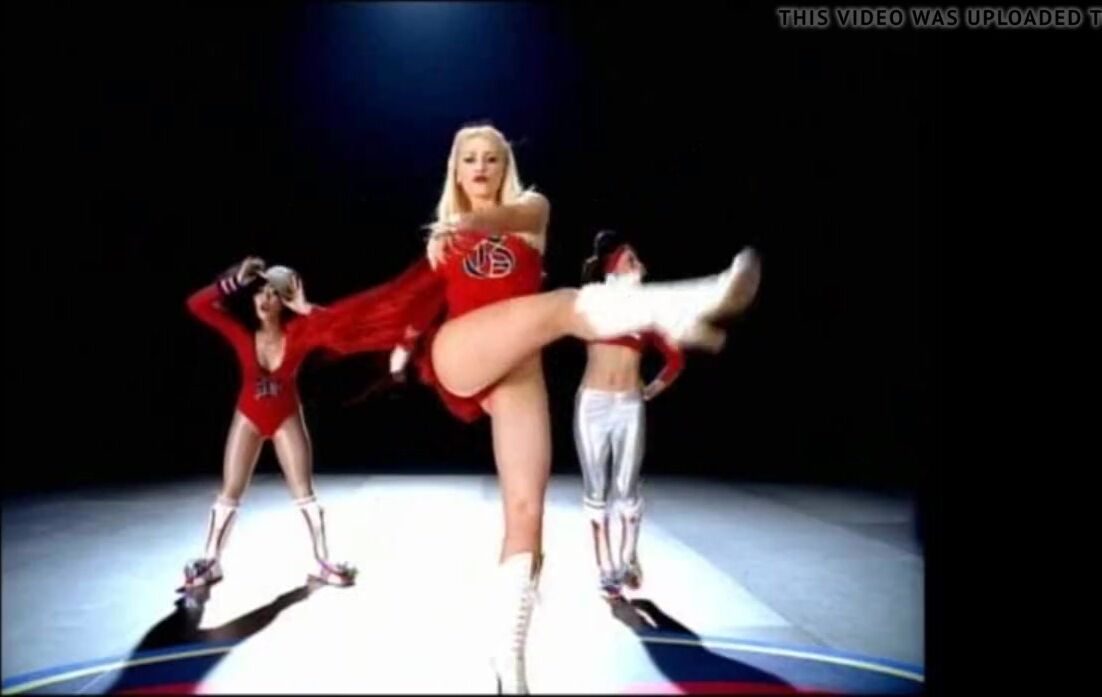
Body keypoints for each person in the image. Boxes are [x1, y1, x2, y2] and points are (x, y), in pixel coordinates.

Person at [181, 257, 357, 596]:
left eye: (273, 293)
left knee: (304, 494)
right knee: (229, 493)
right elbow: (196, 305)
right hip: (248, 415)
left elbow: (344, 332)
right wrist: (233, 281)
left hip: (285, 417)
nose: (264, 298)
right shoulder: (242, 333)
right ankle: (211, 561)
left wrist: (306, 309)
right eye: (259, 292)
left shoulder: (299, 332)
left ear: (284, 299)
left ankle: (322, 561)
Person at [574, 230, 685, 599]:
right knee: (596, 491)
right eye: (632, 259)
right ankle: (605, 568)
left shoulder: (647, 313)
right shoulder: (590, 302)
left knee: (626, 488)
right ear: (612, 266)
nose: (642, 266)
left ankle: (627, 558)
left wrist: (651, 390)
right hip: (592, 405)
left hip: (628, 406)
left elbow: (675, 359)